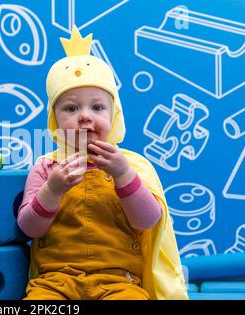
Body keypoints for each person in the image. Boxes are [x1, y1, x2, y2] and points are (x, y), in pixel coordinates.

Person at [17, 26, 188, 300]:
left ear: (114, 114)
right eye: (71, 108)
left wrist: (122, 175)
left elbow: (148, 221)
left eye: (97, 107)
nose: (85, 117)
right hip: (54, 282)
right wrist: (53, 189)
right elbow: (29, 228)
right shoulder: (46, 168)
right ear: (55, 119)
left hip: (119, 282)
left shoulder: (133, 166)